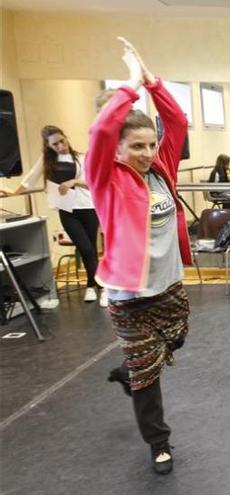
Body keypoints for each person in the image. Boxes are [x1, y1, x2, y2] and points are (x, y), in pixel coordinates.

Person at [86, 37, 191, 475]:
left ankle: (130, 373)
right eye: (137, 147)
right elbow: (99, 132)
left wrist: (152, 81)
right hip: (129, 297)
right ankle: (158, 443)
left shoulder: (161, 168)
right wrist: (129, 86)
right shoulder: (106, 178)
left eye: (150, 145)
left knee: (176, 339)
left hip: (169, 287)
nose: (147, 153)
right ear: (118, 149)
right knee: (149, 375)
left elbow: (178, 119)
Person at [1, 126, 106, 306]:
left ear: (66, 137)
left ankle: (97, 287)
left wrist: (74, 182)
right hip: (67, 211)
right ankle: (94, 286)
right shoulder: (47, 161)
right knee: (85, 249)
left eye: (61, 141)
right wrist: (13, 193)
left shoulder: (81, 158)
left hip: (87, 207)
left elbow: (93, 184)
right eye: (54, 144)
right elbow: (30, 179)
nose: (59, 146)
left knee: (91, 249)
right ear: (48, 146)